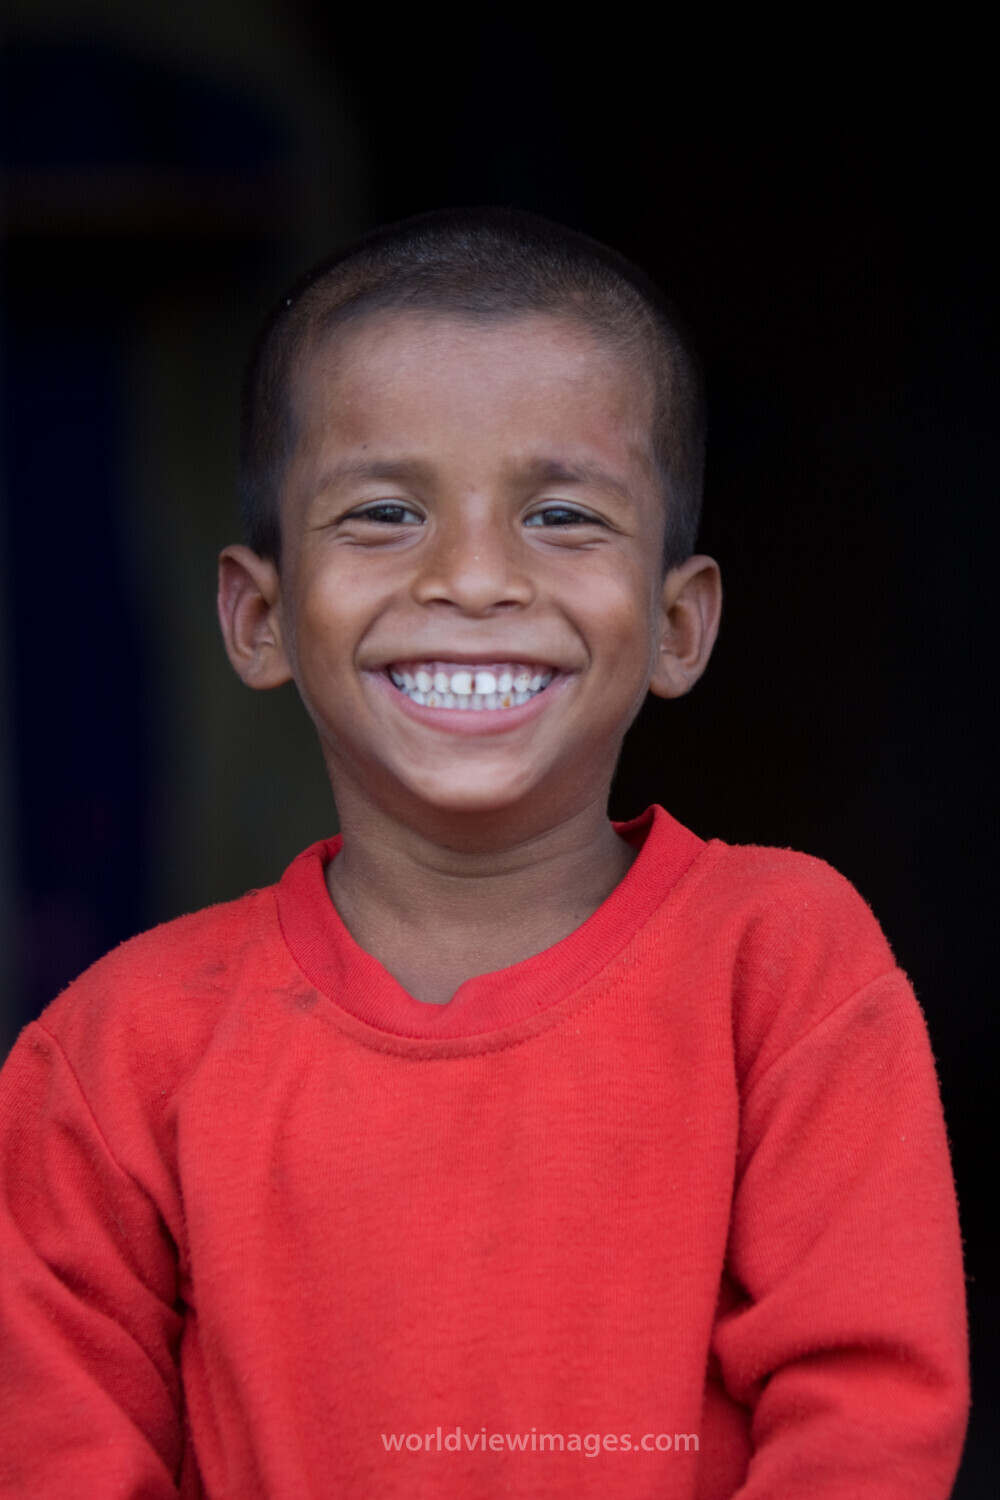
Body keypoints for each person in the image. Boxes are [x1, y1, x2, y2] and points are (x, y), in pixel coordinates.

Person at [0, 209, 968, 1498]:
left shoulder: (781, 967)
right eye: (386, 512)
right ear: (260, 615)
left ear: (678, 625)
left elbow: (869, 1421)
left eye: (562, 514)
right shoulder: (117, 1054)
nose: (471, 576)